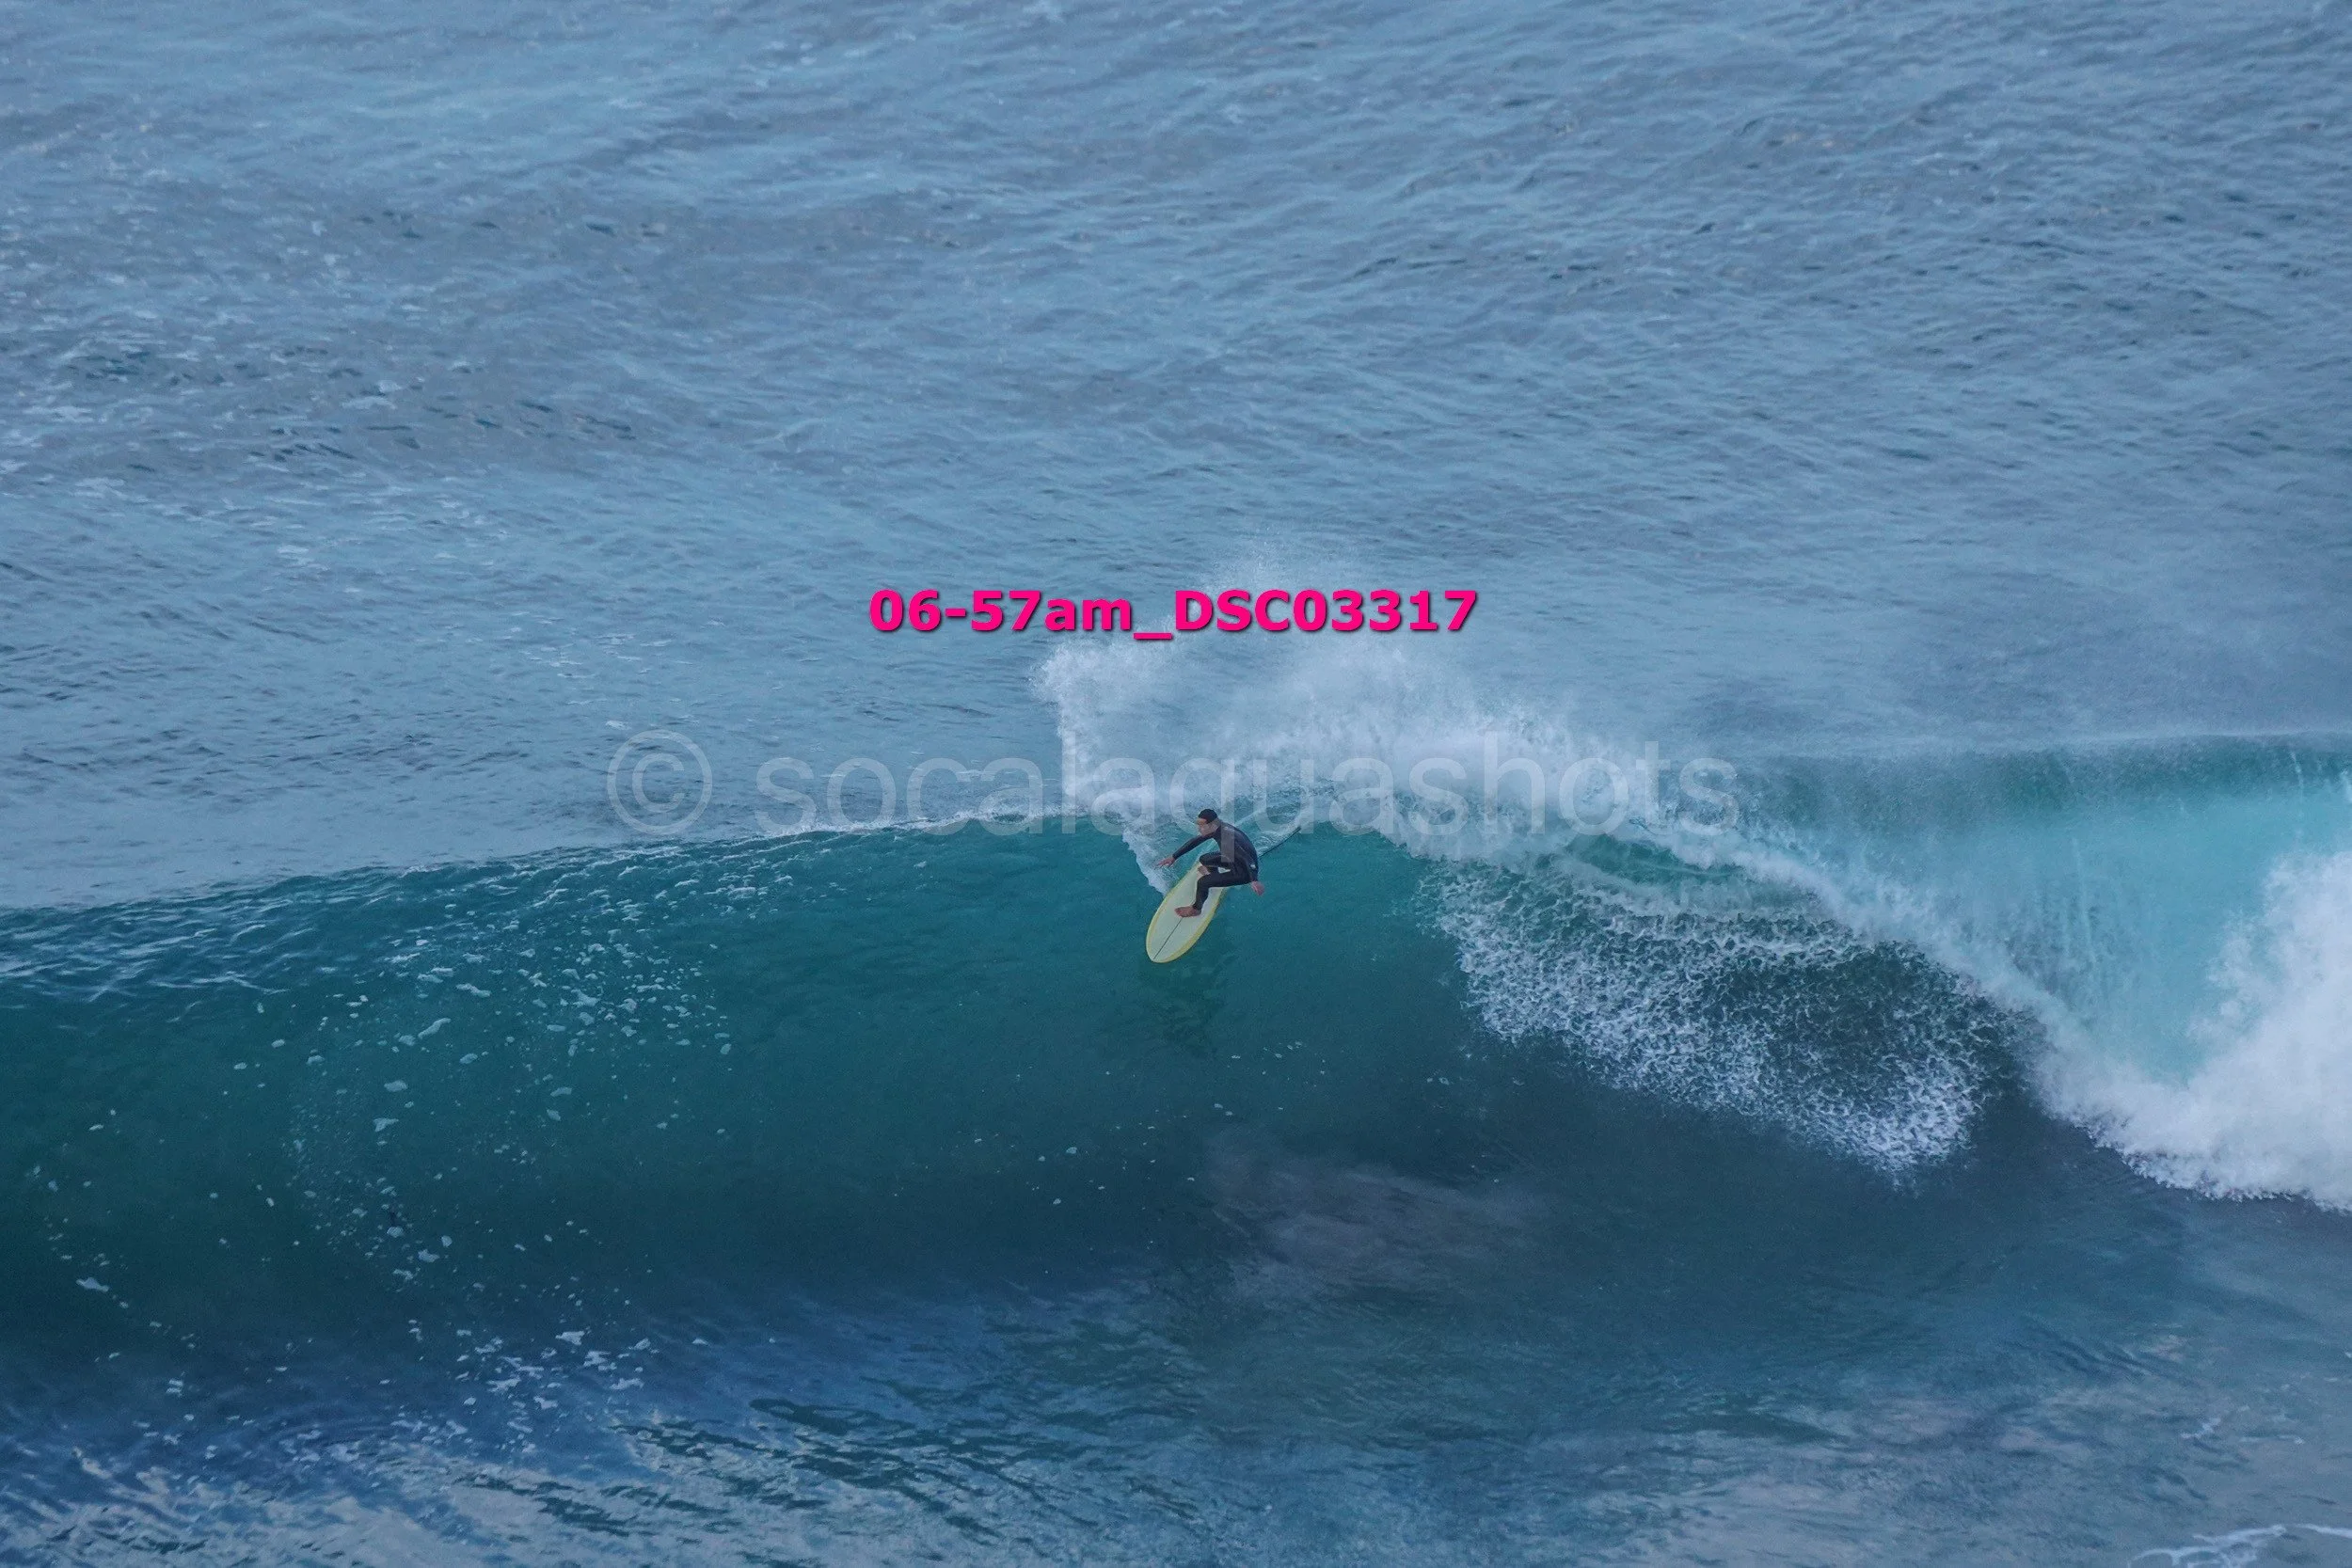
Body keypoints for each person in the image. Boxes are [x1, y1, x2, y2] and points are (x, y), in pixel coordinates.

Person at [1158, 808, 1263, 918]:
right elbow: (1196, 841)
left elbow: (1248, 860)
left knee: (1203, 882)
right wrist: (1174, 856)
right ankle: (1214, 876)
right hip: (1232, 858)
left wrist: (1254, 880)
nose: (1199, 829)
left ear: (1212, 825)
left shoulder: (1227, 838)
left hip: (1243, 871)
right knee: (1205, 859)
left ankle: (1196, 909)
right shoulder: (1218, 827)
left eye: (1202, 826)